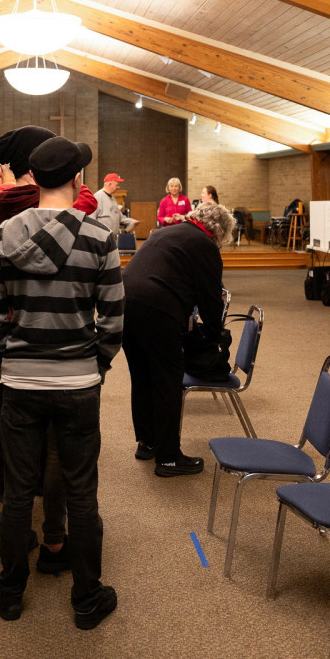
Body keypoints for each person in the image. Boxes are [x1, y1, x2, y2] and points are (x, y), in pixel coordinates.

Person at [0, 135, 122, 630]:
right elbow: (113, 318)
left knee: (18, 493)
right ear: (78, 180)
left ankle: (11, 590)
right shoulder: (99, 235)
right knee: (81, 493)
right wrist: (95, 364)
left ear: (34, 179)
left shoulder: (4, 235)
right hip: (78, 382)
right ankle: (86, 597)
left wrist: (12, 361)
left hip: (19, 382)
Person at [0, 127, 97, 482]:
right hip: (48, 318)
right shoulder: (65, 201)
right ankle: (46, 478)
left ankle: (5, 479)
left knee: (1, 403)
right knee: (48, 402)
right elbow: (84, 192)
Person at [122, 202, 235, 477]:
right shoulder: (204, 245)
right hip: (158, 310)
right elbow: (211, 299)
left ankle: (147, 442)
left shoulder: (165, 232)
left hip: (123, 303)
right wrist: (213, 335)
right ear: (219, 231)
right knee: (167, 382)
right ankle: (169, 457)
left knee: (143, 377)